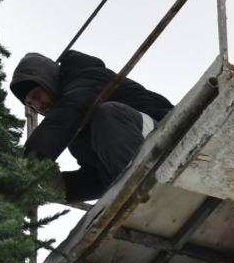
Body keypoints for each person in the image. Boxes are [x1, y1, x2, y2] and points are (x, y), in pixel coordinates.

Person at [10, 50, 173, 203]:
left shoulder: (87, 77)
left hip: (165, 136)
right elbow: (99, 176)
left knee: (108, 113)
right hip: (136, 165)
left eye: (37, 96)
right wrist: (63, 187)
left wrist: (31, 157)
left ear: (48, 80)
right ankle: (134, 198)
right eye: (31, 104)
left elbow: (71, 107)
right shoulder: (76, 128)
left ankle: (140, 193)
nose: (38, 107)